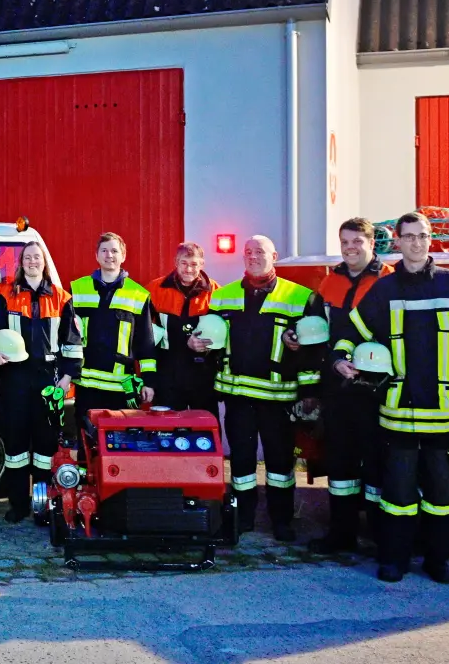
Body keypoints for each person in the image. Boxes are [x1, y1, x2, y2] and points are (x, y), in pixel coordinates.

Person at [336, 212, 449, 583]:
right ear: (397, 242)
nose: (416, 243)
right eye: (409, 237)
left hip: (443, 409)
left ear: (430, 240)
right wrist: (340, 359)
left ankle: (438, 561)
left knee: (441, 493)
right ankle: (395, 560)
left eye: (422, 236)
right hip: (397, 410)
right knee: (397, 494)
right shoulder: (384, 290)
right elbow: (351, 331)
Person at [204, 235, 316, 541]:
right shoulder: (222, 296)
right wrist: (196, 344)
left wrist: (308, 394)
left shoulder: (300, 297)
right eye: (248, 252)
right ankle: (243, 518)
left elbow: (313, 350)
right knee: (240, 461)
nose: (253, 257)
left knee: (280, 463)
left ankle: (282, 521)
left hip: (278, 399)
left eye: (260, 252)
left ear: (275, 256)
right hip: (237, 397)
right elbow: (211, 342)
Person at [306, 218, 394, 555]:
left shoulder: (389, 280)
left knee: (376, 466)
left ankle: (378, 537)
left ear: (372, 243)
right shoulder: (329, 283)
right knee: (340, 466)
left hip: (376, 389)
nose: (350, 248)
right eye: (345, 242)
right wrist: (297, 339)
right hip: (337, 388)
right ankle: (340, 535)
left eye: (357, 241)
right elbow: (316, 331)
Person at [0, 241, 81, 522]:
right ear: (21, 263)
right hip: (14, 377)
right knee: (15, 446)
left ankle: (44, 506)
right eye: (27, 257)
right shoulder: (5, 295)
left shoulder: (62, 298)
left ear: (44, 262)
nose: (32, 262)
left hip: (48, 380)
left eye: (37, 257)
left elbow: (72, 342)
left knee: (45, 448)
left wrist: (66, 378)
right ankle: (18, 505)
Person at [69, 232, 157, 418]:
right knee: (87, 441)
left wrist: (149, 381)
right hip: (86, 385)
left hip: (121, 387)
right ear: (97, 255)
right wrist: (66, 373)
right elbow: (68, 336)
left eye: (114, 251)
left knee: (119, 444)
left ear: (123, 256)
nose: (109, 255)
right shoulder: (77, 289)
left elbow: (146, 343)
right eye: (104, 251)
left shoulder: (138, 294)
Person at [147, 242, 219, 412]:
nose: (188, 269)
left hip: (203, 376)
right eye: (184, 263)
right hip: (167, 375)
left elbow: (224, 335)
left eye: (194, 264)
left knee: (205, 431)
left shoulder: (215, 292)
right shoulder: (155, 290)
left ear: (202, 264)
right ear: (175, 262)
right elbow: (143, 335)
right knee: (166, 432)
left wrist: (206, 348)